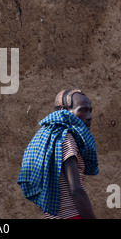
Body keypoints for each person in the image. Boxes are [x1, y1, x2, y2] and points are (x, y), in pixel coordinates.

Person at [18, 89, 99, 219]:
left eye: (90, 110)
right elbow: (76, 190)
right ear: (63, 111)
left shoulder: (47, 137)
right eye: (82, 110)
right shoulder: (65, 138)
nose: (89, 116)